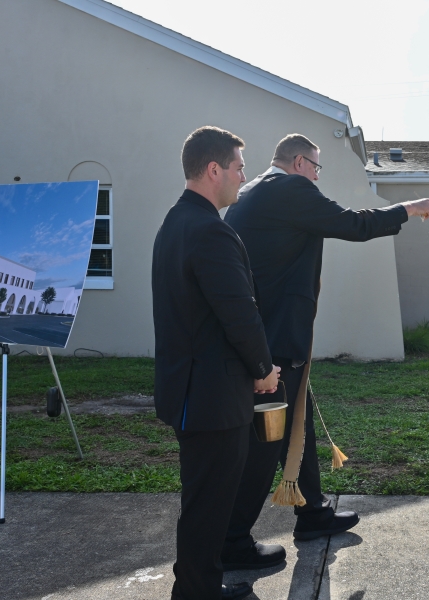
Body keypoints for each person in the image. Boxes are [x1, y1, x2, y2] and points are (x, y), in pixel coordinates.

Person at [221, 133, 429, 570]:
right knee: (267, 439)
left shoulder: (252, 191)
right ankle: (232, 543)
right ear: (300, 163)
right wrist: (409, 210)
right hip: (275, 340)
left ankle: (313, 511)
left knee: (297, 420)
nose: (318, 177)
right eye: (317, 168)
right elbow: (353, 224)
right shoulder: (290, 188)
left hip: (265, 335)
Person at [152, 126, 280, 600]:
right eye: (239, 168)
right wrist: (264, 370)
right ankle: (196, 593)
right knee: (208, 505)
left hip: (191, 391)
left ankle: (197, 585)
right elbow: (239, 315)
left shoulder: (174, 223)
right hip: (210, 396)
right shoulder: (209, 231)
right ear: (213, 170)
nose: (243, 178)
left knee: (203, 501)